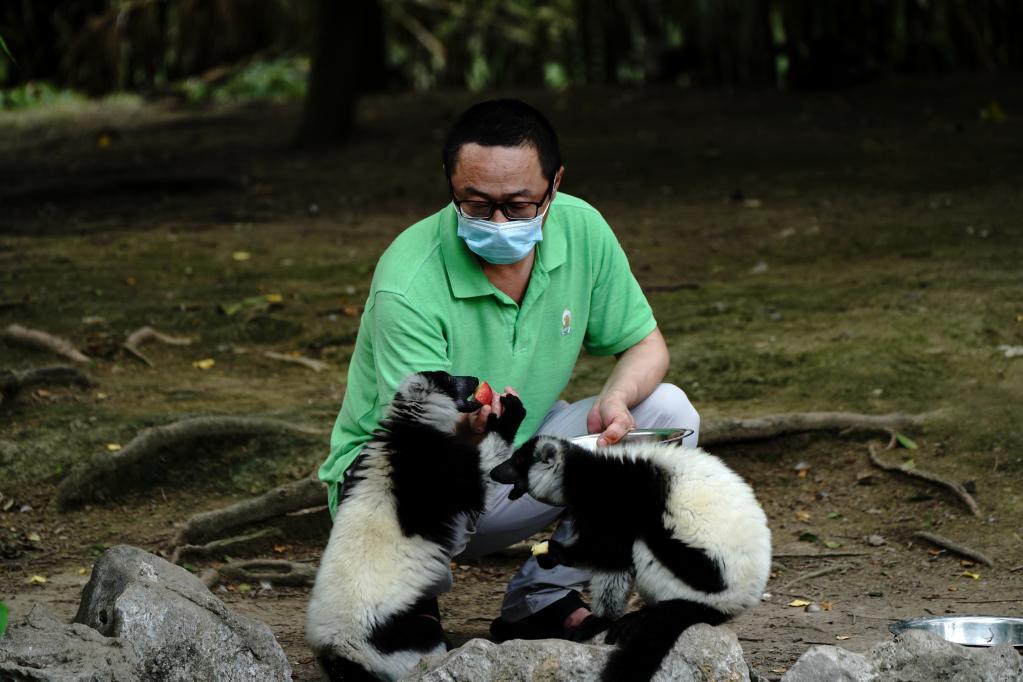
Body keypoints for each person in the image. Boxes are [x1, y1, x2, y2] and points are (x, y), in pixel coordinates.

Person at [318, 98, 701, 640]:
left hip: (515, 467)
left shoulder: (583, 231)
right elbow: (412, 439)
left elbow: (645, 345)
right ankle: (404, 600)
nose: (498, 222)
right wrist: (468, 433)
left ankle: (541, 598)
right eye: (475, 204)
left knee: (667, 412)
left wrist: (615, 400)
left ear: (555, 185)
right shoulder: (407, 282)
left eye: (519, 205)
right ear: (451, 184)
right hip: (407, 488)